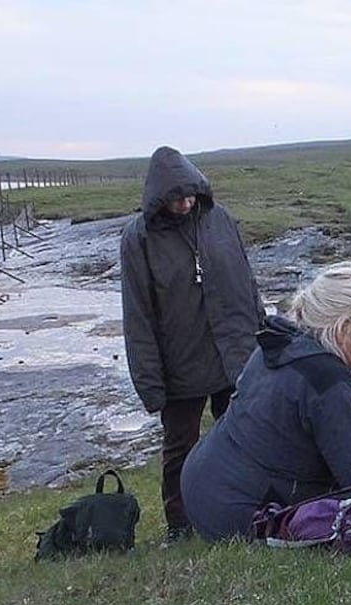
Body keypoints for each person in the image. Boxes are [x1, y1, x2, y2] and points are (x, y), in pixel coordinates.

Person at [180, 262, 351, 541]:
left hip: (203, 485)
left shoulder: (279, 344)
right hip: (238, 514)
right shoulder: (329, 385)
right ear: (345, 328)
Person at [120, 145, 264, 542]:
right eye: (176, 198)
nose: (185, 204)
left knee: (243, 437)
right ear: (158, 197)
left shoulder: (221, 219)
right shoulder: (139, 238)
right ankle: (180, 525)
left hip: (234, 354)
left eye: (190, 196)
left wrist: (263, 333)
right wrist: (150, 384)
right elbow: (137, 314)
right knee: (180, 448)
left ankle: (245, 510)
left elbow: (247, 282)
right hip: (180, 365)